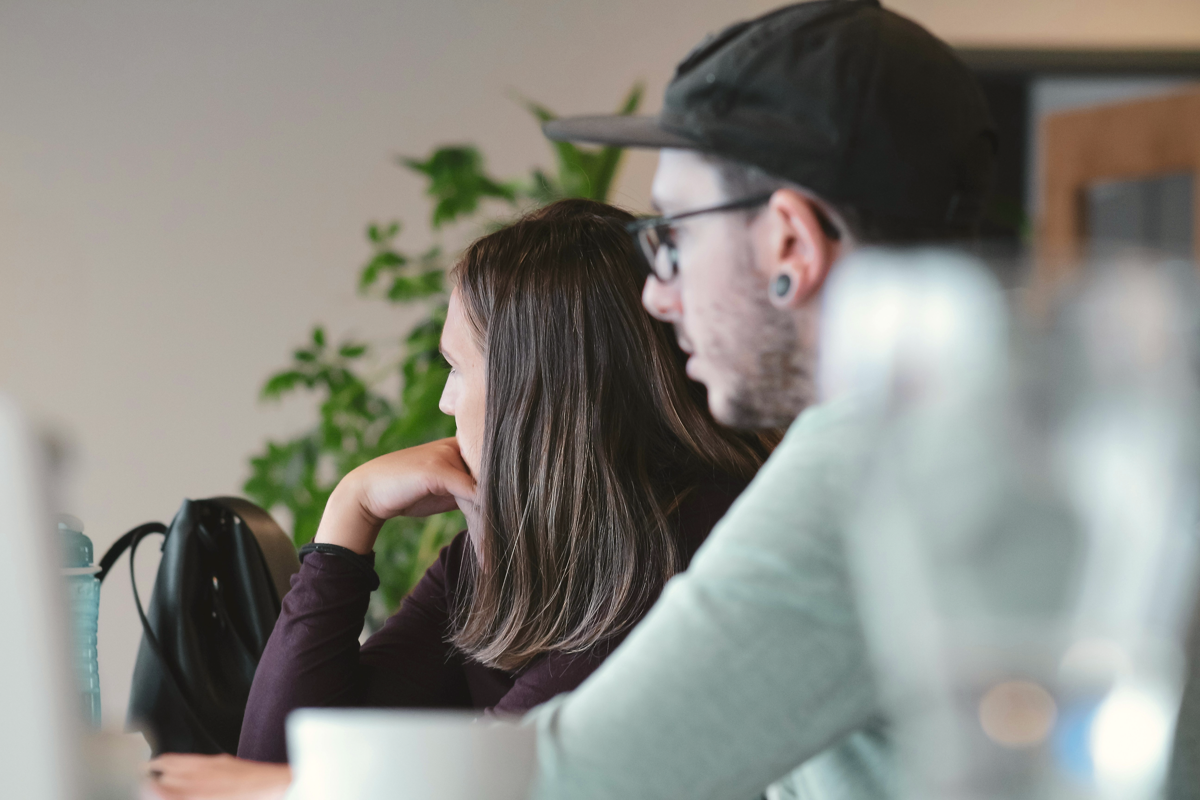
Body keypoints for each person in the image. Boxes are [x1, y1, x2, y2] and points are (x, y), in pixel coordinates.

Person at [521, 2, 997, 799]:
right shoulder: (992, 422)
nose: (657, 297)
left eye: (674, 235)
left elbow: (576, 781)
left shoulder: (884, 458)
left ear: (789, 244)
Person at [148, 200, 773, 796]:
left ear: (536, 392)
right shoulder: (507, 550)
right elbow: (277, 763)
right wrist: (350, 514)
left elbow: (489, 789)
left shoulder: (689, 552)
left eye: (458, 367)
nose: (446, 402)